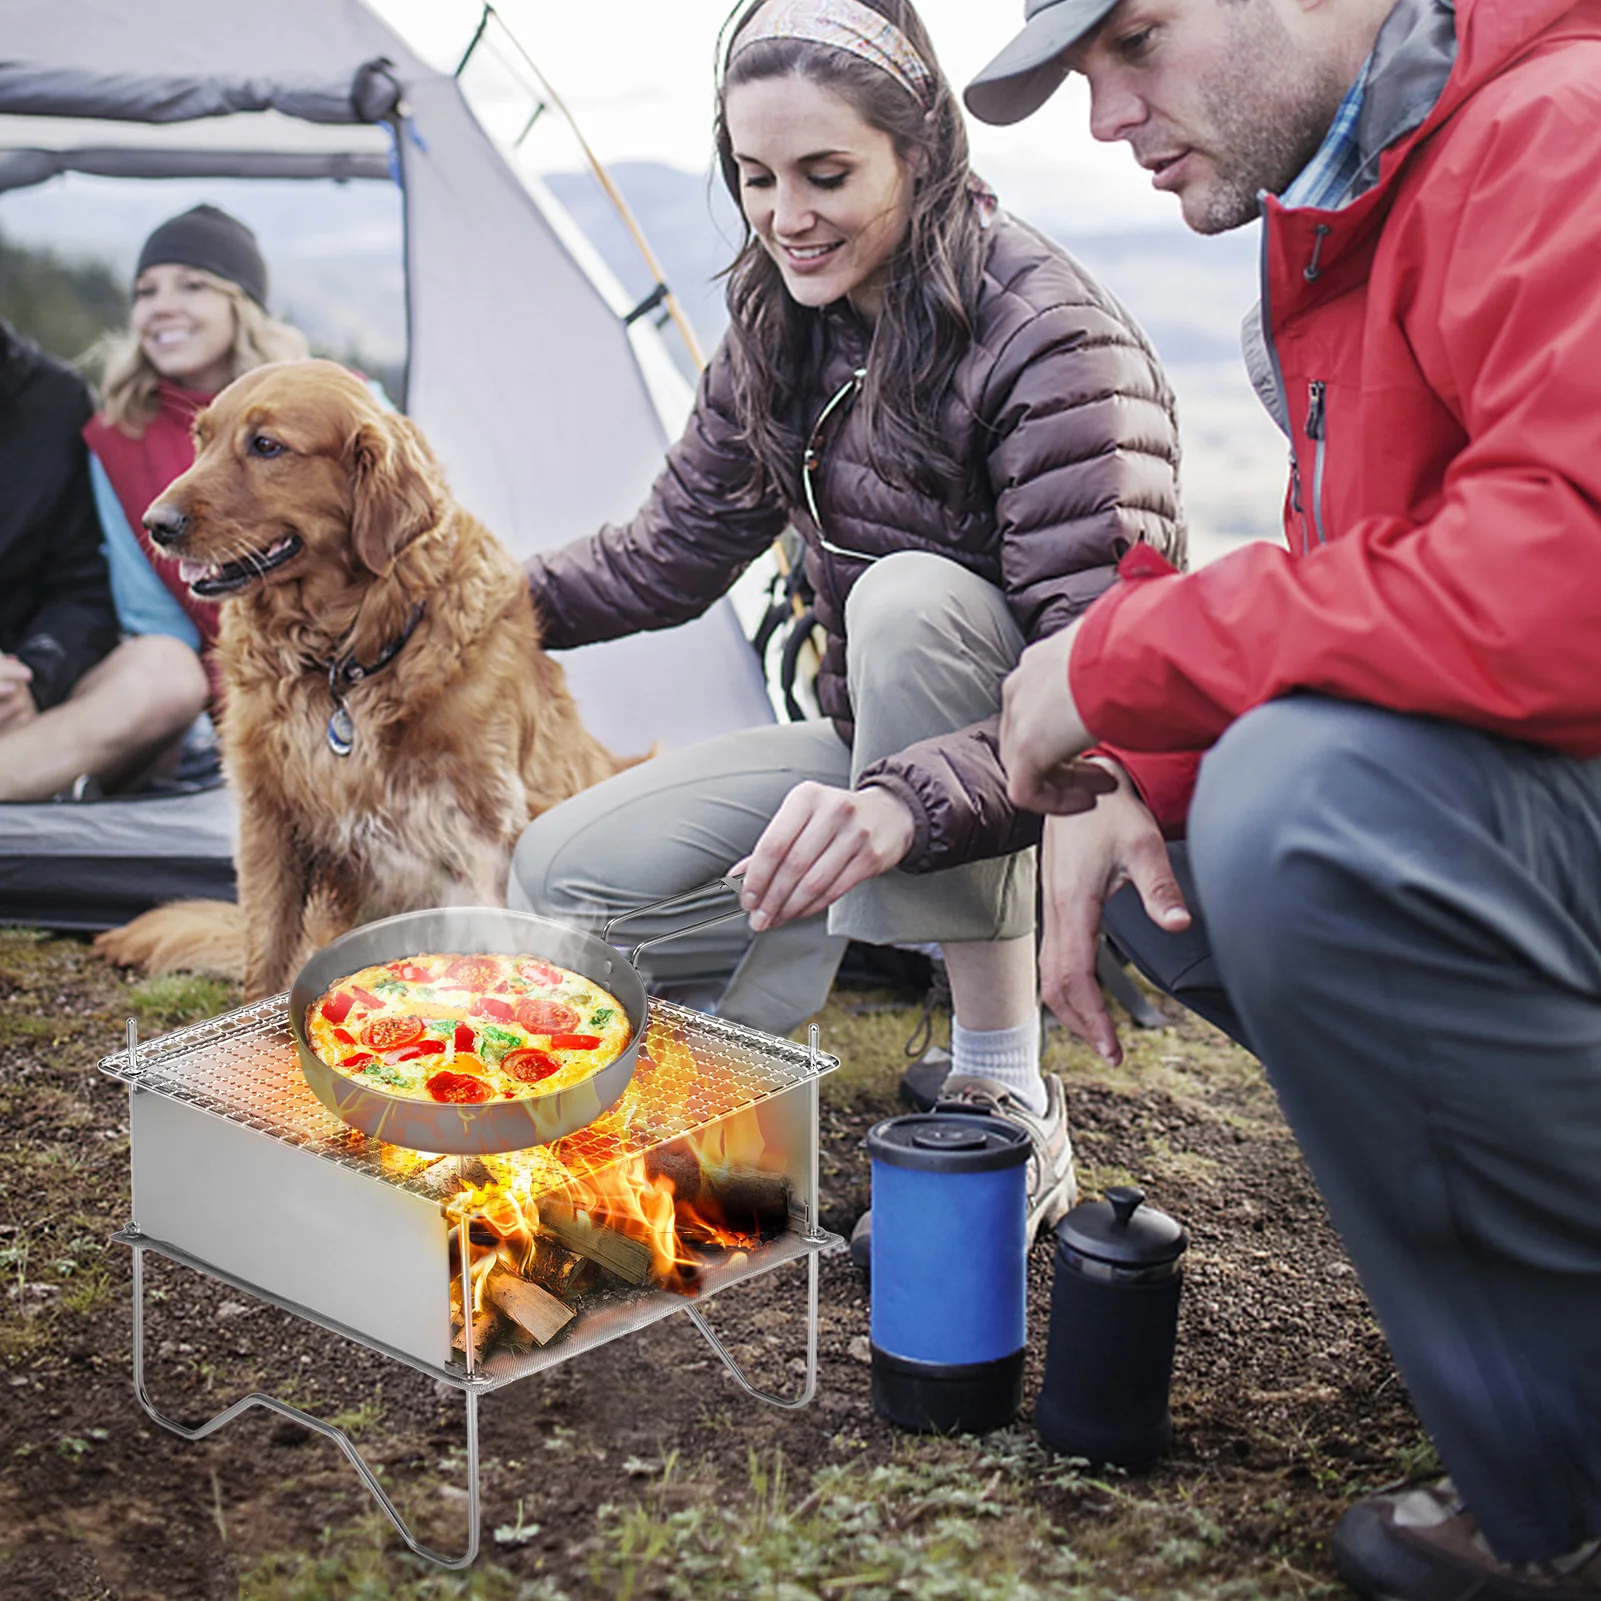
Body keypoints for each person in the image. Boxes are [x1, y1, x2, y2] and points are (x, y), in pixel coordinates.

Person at [968, 0, 1601, 1594]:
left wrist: (1127, 661)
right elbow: (1372, 606)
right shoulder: (1344, 208)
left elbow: (1570, 587)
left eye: (1138, 40)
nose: (1105, 115)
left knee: (1302, 812)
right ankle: (1519, 1337)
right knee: (1176, 837)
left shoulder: (1556, 129)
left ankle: (1567, 1487)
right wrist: (1132, 771)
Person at [509, 0, 1185, 1244]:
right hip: (875, 753)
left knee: (907, 598)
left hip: (1051, 785)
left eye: (826, 175)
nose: (784, 215)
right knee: (562, 872)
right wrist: (459, 606)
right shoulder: (780, 321)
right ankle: (761, 1033)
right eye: (755, 177)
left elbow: (1097, 684)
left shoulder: (1045, 336)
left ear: (919, 157)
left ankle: (1004, 1085)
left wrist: (897, 804)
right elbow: (670, 552)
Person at [83, 203, 309, 706]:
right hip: (226, 697)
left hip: (362, 669)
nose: (160, 306)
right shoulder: (116, 438)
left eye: (192, 285)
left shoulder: (336, 404)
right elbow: (151, 618)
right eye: (146, 291)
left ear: (242, 303)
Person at [0, 316, 205, 803]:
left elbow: (84, 586)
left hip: (24, 699)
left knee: (168, 671)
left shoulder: (53, 402)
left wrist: (35, 679)